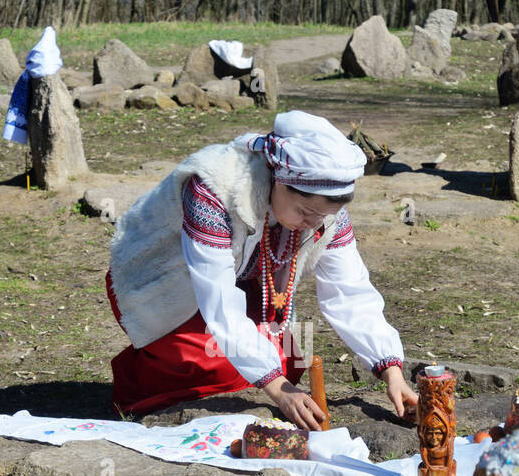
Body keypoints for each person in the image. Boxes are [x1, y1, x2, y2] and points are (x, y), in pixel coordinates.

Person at [105, 110, 417, 431]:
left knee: (290, 357)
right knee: (221, 366)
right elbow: (219, 299)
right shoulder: (214, 189)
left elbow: (349, 290)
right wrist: (279, 391)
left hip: (241, 282)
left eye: (322, 216)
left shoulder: (324, 211)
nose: (314, 225)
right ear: (278, 181)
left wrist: (391, 370)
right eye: (305, 212)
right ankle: (143, 379)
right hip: (163, 285)